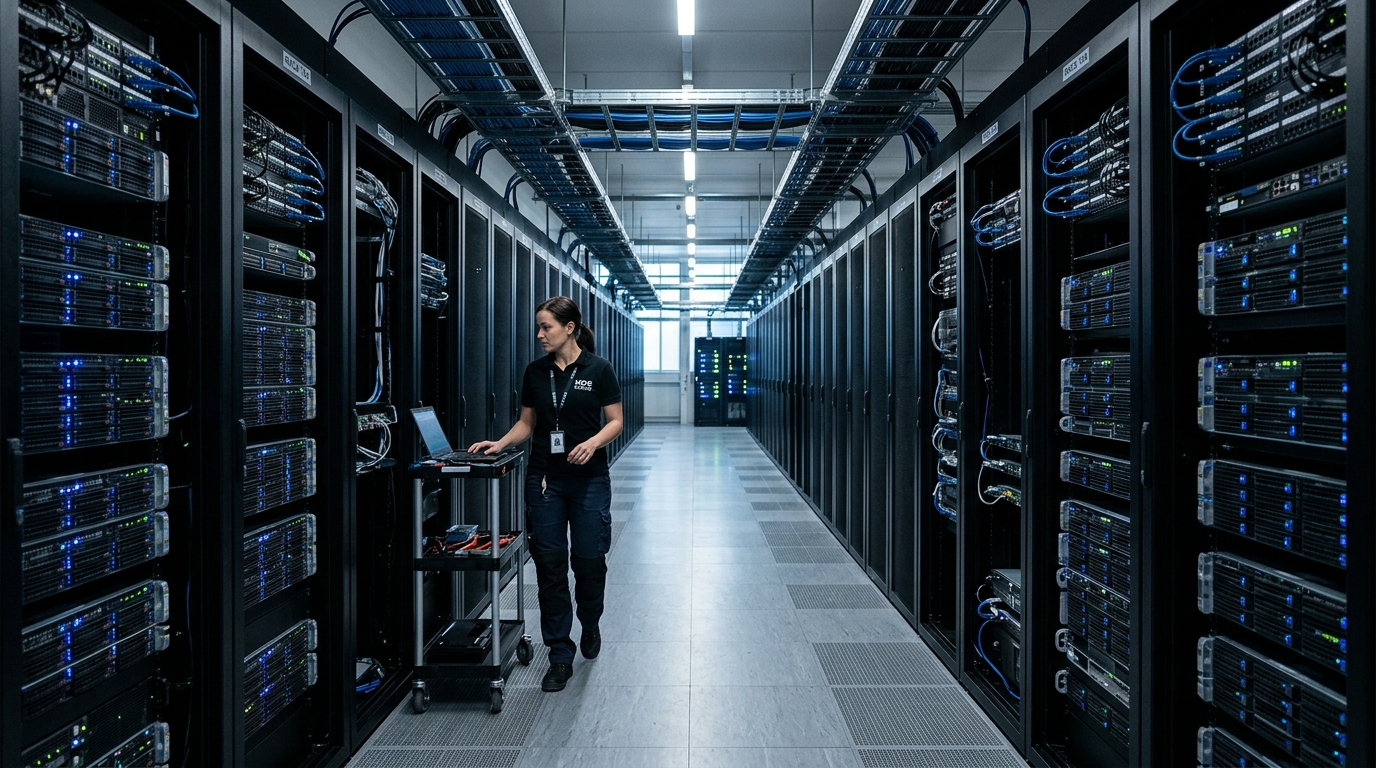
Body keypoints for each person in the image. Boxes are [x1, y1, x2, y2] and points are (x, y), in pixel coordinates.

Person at [469, 296, 623, 692]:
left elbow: (616, 420)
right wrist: (499, 444)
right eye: (538, 328)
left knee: (589, 562)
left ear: (569, 328)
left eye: (546, 327)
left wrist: (593, 442)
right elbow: (527, 423)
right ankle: (559, 654)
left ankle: (590, 622)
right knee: (549, 568)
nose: (539, 335)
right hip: (544, 480)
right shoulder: (535, 372)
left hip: (589, 479)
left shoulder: (599, 369)